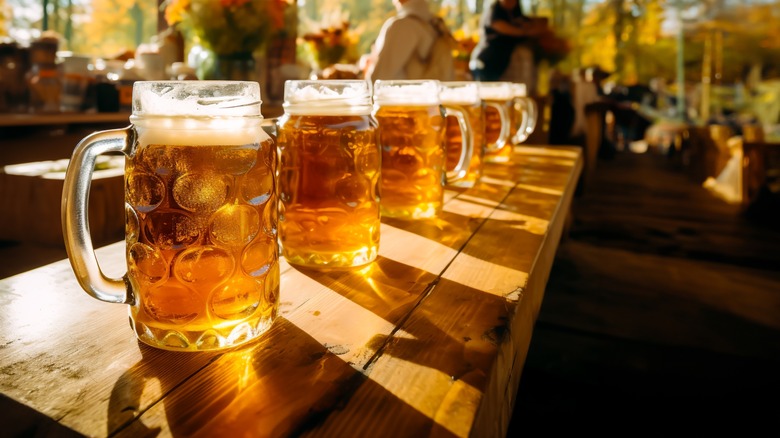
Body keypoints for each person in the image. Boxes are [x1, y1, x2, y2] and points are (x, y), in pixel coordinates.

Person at [365, 0, 452, 82]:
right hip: (435, 91)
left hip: (408, 93)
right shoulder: (436, 25)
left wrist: (369, 68)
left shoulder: (401, 26)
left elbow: (378, 79)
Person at [469, 0, 545, 85]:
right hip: (485, 63)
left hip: (499, 65)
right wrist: (527, 31)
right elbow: (504, 27)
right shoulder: (494, 12)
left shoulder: (513, 13)